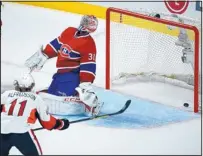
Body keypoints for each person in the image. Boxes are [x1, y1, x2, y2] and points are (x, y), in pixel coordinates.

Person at [24, 15, 101, 116]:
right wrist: (44, 55)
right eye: (84, 20)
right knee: (50, 95)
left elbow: (88, 66)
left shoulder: (89, 44)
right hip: (59, 75)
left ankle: (89, 104)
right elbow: (56, 45)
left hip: (72, 76)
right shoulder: (69, 31)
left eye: (87, 22)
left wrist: (85, 85)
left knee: (60, 101)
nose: (84, 23)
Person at [1, 74, 70, 156]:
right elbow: (46, 121)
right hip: (22, 133)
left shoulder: (6, 94)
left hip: (2, 131)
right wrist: (60, 124)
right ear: (31, 85)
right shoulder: (36, 98)